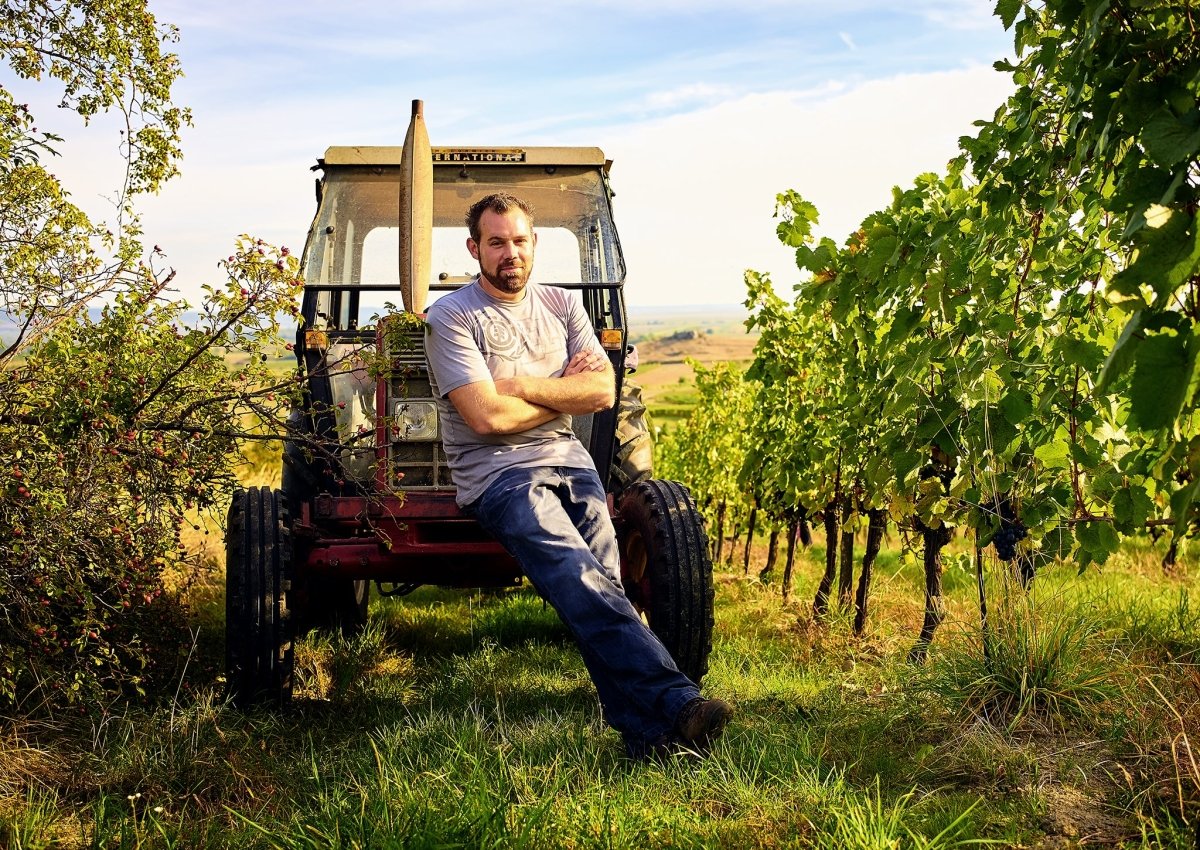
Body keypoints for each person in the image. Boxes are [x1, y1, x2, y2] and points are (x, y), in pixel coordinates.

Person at [424, 192, 731, 759]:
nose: (509, 253)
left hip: (569, 459)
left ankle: (645, 740)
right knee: (575, 570)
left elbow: (602, 390)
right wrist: (562, 396)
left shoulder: (563, 305)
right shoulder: (450, 316)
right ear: (474, 249)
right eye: (496, 243)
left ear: (534, 244)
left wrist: (520, 386)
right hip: (499, 475)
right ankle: (678, 702)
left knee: (606, 581)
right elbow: (486, 418)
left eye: (519, 241)